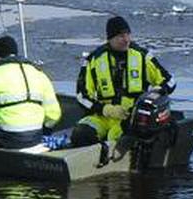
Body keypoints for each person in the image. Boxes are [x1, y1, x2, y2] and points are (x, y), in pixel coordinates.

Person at [73, 15, 175, 148]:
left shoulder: (142, 56)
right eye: (121, 36)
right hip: (103, 116)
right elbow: (82, 96)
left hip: (132, 119)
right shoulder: (94, 60)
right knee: (80, 134)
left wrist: (154, 94)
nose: (126, 39)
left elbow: (170, 82)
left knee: (119, 139)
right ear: (110, 38)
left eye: (128, 34)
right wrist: (105, 109)